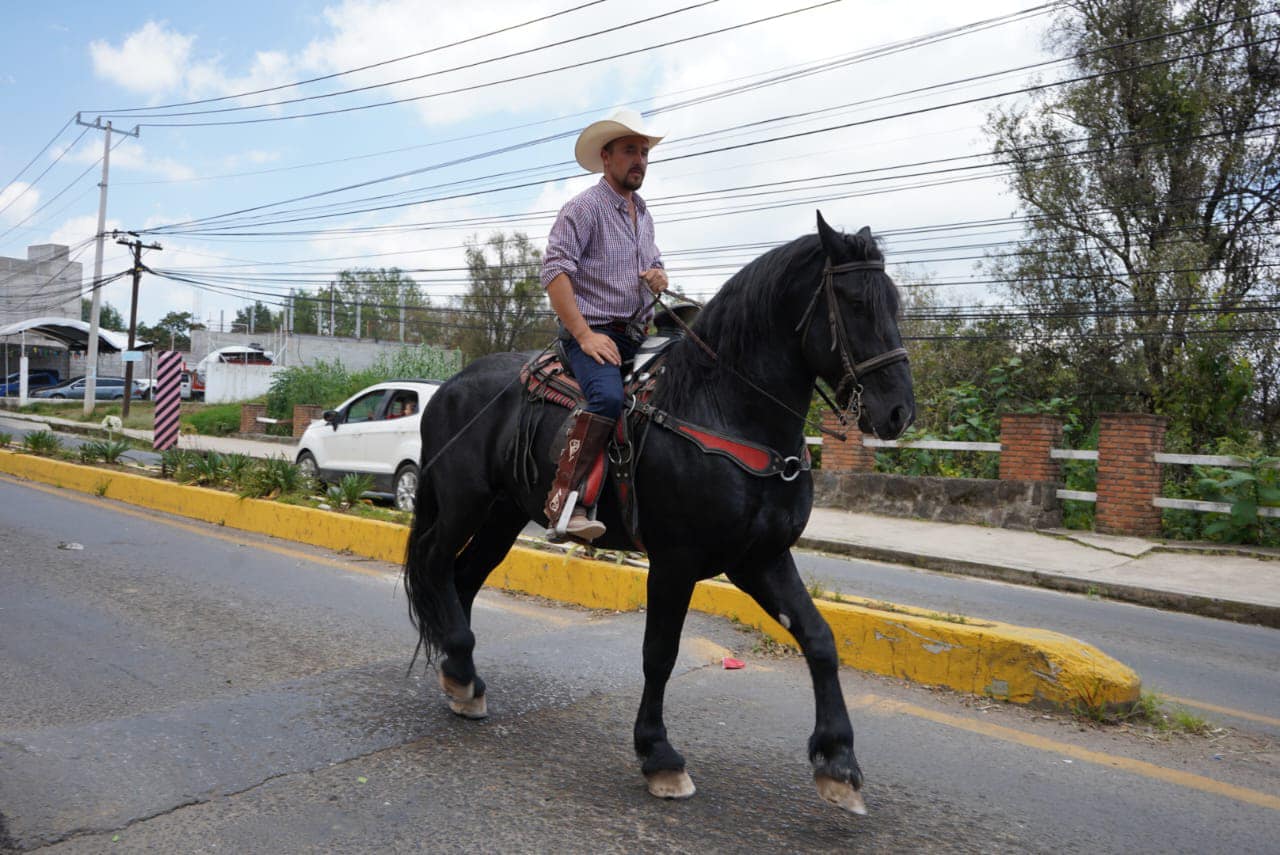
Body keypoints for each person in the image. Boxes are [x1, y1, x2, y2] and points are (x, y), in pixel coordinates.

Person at [541, 108, 669, 541]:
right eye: (630, 151)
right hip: (593, 335)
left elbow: (653, 264)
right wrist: (583, 334)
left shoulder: (644, 212)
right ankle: (566, 504)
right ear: (606, 156)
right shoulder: (584, 208)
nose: (640, 161)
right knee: (608, 398)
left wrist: (658, 277)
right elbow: (555, 273)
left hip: (638, 336)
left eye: (645, 152)